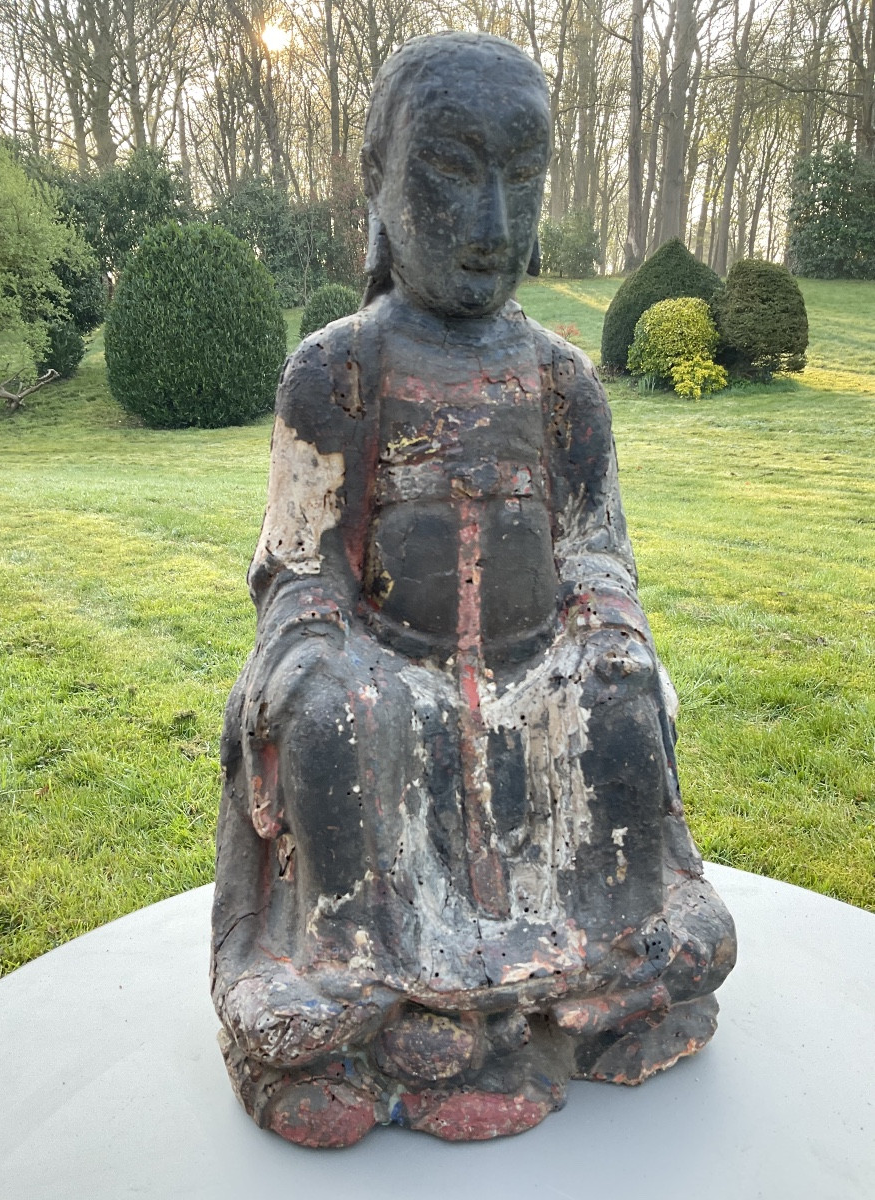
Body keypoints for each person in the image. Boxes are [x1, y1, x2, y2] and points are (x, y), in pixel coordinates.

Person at [212, 31, 736, 1147]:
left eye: (523, 173)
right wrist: (321, 651)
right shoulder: (336, 370)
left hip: (539, 678)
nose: (493, 221)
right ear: (377, 176)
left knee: (621, 694)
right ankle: (363, 985)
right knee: (333, 716)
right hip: (386, 677)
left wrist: (603, 632)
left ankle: (581, 965)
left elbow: (596, 548)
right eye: (452, 170)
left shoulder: (561, 380)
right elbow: (301, 569)